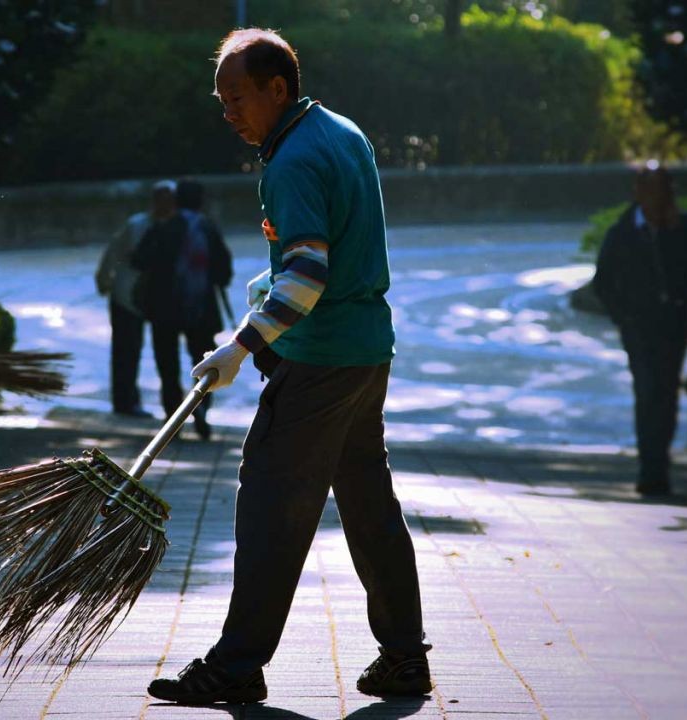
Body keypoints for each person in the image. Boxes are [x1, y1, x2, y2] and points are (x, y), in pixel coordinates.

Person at [147, 29, 431, 705]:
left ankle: (237, 663)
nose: (229, 114)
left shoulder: (293, 159)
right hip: (365, 351)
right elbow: (315, 263)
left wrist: (241, 348)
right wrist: (254, 310)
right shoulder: (341, 132)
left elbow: (306, 272)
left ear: (277, 89)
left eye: (237, 97)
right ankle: (404, 657)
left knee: (272, 503)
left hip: (322, 358)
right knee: (367, 502)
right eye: (222, 101)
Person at [592, 164, 687, 497]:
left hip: (674, 324)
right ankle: (651, 469)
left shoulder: (685, 226)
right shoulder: (623, 231)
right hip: (639, 327)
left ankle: (658, 466)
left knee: (666, 393)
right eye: (650, 190)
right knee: (648, 391)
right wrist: (624, 317)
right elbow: (602, 281)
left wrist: (677, 233)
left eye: (663, 191)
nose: (656, 199)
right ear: (638, 192)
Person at [131, 179, 233, 439]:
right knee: (203, 363)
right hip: (201, 310)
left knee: (168, 366)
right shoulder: (208, 228)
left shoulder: (163, 227)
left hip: (164, 309)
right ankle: (199, 408)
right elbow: (224, 273)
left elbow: (137, 259)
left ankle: (172, 419)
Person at [96, 180, 177, 418]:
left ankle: (130, 401)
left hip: (150, 297)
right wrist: (104, 281)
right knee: (126, 351)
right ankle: (125, 401)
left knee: (138, 351)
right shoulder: (137, 225)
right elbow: (113, 254)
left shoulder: (170, 226)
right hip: (127, 295)